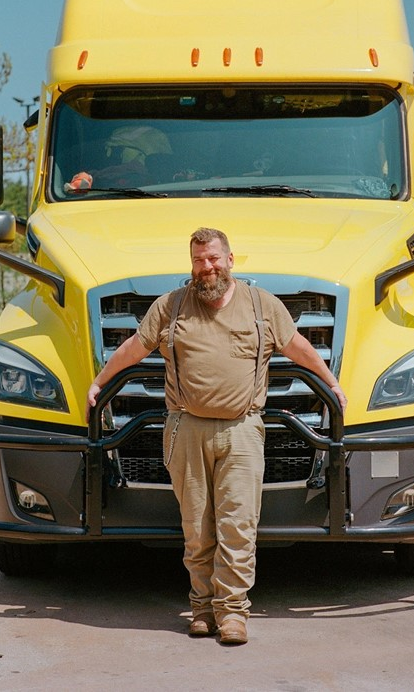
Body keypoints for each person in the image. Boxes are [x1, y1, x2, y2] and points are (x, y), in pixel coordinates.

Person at [87, 227, 347, 645]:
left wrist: (331, 382)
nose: (206, 269)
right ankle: (202, 608)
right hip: (185, 427)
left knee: (238, 524)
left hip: (243, 429)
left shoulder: (261, 305)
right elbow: (135, 346)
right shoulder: (171, 306)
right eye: (198, 261)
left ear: (230, 260)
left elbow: (296, 344)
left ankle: (232, 614)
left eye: (212, 259)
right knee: (197, 527)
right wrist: (99, 383)